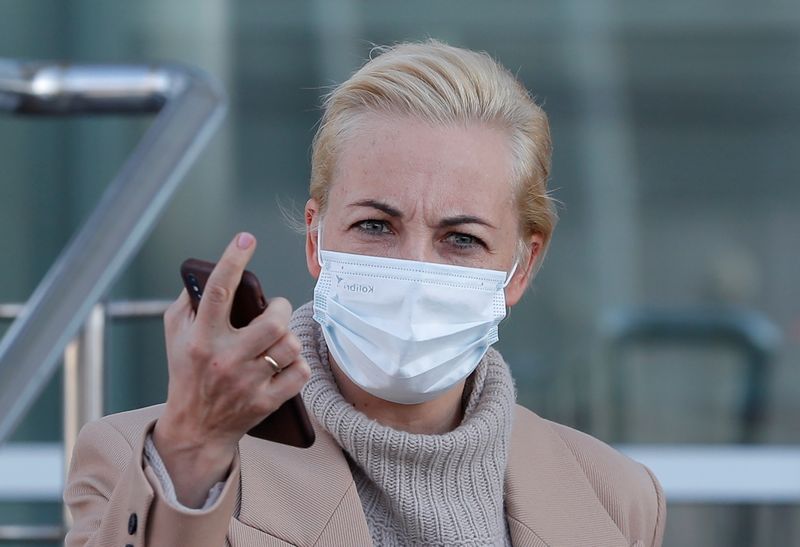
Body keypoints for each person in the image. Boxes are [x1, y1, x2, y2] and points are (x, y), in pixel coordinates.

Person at [64, 40, 665, 547]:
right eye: (376, 226)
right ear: (315, 239)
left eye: (460, 238)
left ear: (522, 266)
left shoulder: (614, 496)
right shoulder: (142, 466)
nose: (414, 269)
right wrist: (193, 449)